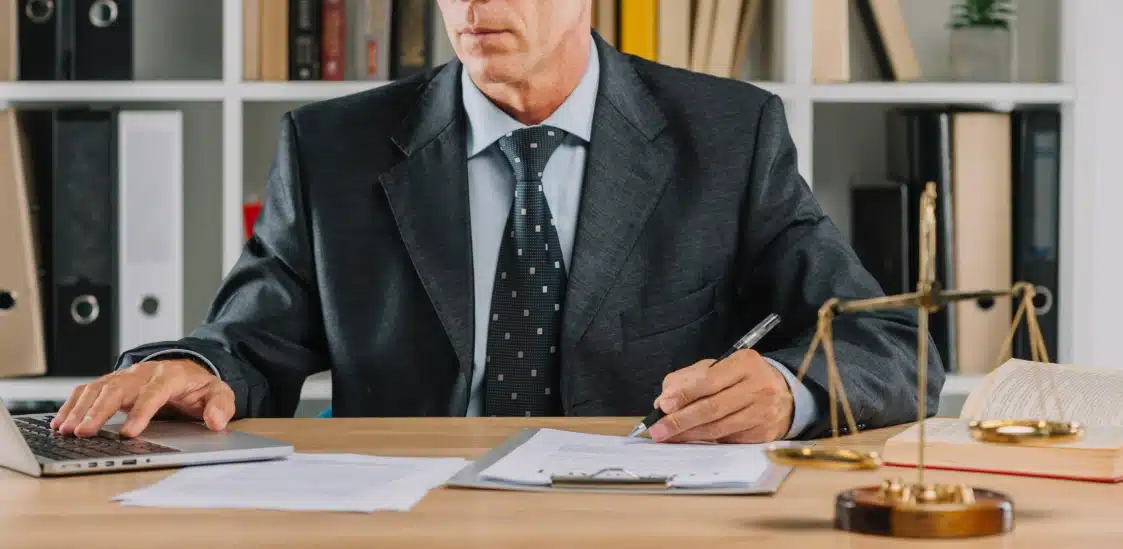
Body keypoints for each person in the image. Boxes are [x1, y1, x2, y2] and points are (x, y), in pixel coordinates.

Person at [50, 0, 943, 443]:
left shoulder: (727, 133)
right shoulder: (332, 146)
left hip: (641, 520)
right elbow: (252, 338)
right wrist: (193, 367)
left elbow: (892, 345)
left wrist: (787, 390)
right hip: (408, 518)